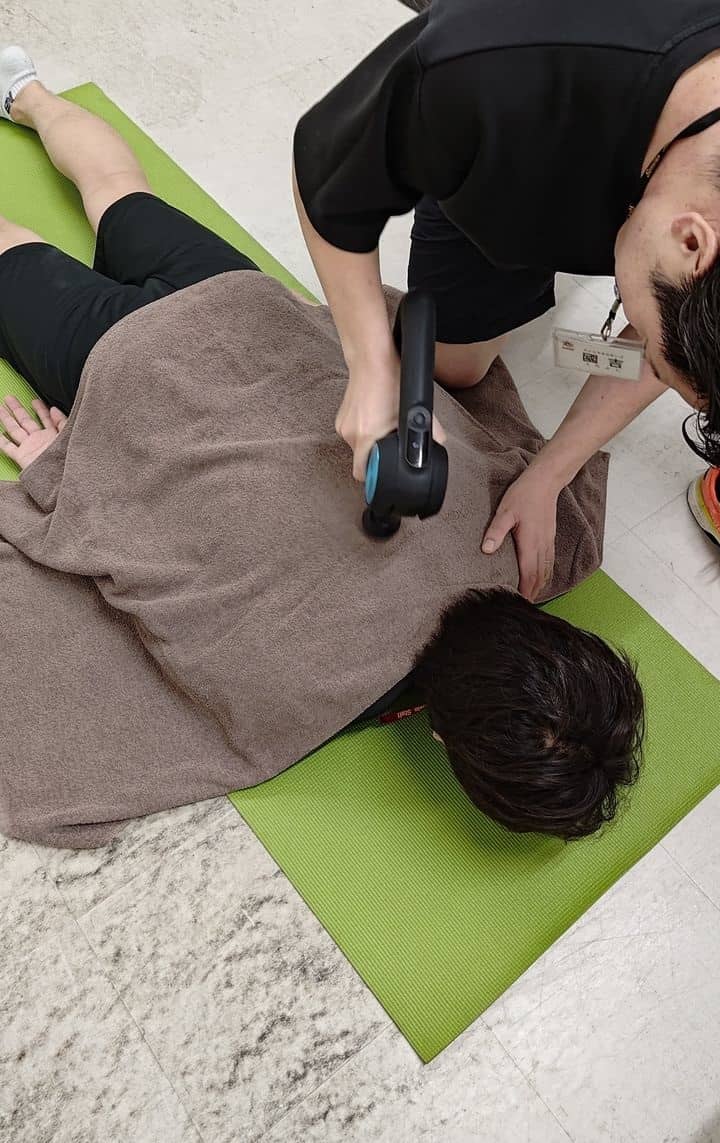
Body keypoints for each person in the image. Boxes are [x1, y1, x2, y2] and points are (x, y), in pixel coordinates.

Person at [0, 48, 643, 843]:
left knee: (118, 190)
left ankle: (24, 88)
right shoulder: (295, 695)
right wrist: (60, 472)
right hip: (127, 367)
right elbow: (145, 582)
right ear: (444, 738)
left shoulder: (530, 540)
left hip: (244, 306)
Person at [293, 0, 720, 601]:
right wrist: (369, 365)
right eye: (643, 344)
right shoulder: (489, 69)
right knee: (454, 366)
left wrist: (551, 471)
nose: (639, 355)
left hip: (637, 179)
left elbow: (686, 342)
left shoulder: (689, 266)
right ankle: (463, 169)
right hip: (519, 133)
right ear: (691, 241)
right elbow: (324, 167)